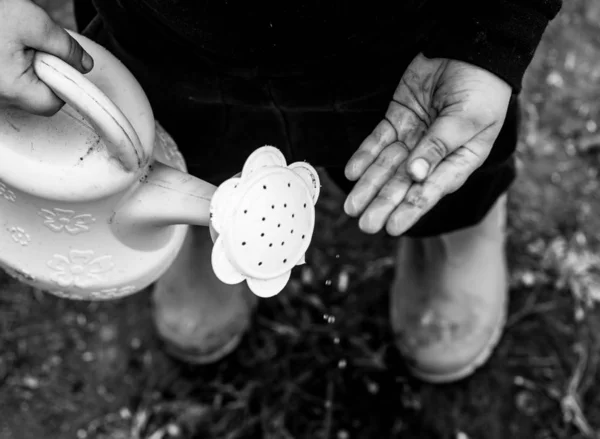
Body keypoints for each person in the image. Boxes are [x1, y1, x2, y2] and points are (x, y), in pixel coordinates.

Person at [0, 0, 562, 383]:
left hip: (411, 34)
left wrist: (494, 32)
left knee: (430, 162)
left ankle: (453, 228)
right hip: (159, 26)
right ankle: (198, 214)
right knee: (167, 127)